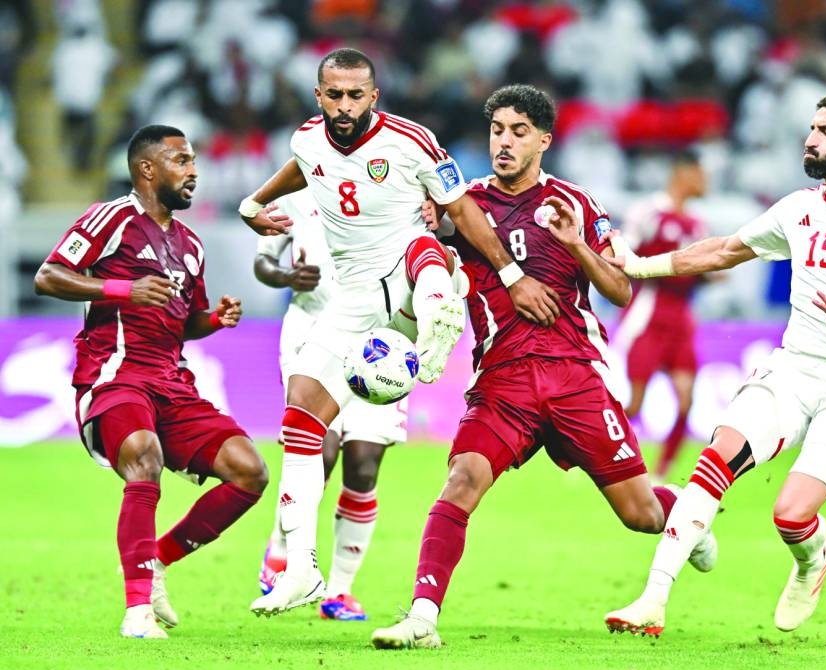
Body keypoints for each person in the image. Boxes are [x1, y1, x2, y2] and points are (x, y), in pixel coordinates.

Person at [370, 84, 718, 650]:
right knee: (461, 482)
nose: (504, 142)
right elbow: (430, 239)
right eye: (497, 130)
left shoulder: (574, 203)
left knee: (642, 517)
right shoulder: (465, 204)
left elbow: (621, 289)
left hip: (574, 374)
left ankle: (680, 510)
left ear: (544, 141)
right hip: (502, 381)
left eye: (518, 132)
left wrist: (577, 245)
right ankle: (422, 616)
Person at [605, 89, 826, 635]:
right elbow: (722, 251)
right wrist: (638, 267)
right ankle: (652, 600)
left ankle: (813, 559)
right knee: (714, 461)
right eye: (812, 129)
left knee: (790, 515)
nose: (811, 139)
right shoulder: (798, 208)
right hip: (792, 369)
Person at [238, 48, 561, 616]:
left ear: (373, 96)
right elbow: (299, 168)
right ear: (319, 96)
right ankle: (302, 571)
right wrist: (253, 204)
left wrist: (511, 276)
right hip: (353, 297)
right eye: (333, 95)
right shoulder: (307, 140)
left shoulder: (412, 141)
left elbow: (461, 210)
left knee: (422, 245)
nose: (344, 105)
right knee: (299, 420)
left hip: (407, 271)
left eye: (355, 95)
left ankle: (439, 315)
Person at [34, 124, 269, 639]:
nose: (194, 171)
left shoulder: (190, 244)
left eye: (193, 162)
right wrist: (123, 289)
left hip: (172, 382)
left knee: (249, 472)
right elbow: (49, 276)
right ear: (147, 169)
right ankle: (138, 610)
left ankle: (157, 561)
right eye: (181, 161)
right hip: (116, 376)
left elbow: (184, 321)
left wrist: (214, 319)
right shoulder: (113, 217)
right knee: (145, 456)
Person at [254, 188, 407, 621]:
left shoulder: (394, 177)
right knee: (319, 451)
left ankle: (339, 591)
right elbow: (263, 261)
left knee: (363, 465)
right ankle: (282, 550)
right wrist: (285, 277)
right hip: (312, 329)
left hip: (380, 339)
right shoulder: (296, 190)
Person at [619, 149, 712, 481]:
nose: (706, 182)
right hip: (649, 314)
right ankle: (595, 455)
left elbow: (703, 269)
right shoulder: (648, 212)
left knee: (686, 401)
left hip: (682, 320)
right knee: (633, 406)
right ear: (683, 175)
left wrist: (708, 274)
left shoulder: (698, 224)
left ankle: (659, 473)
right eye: (700, 175)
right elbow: (622, 254)